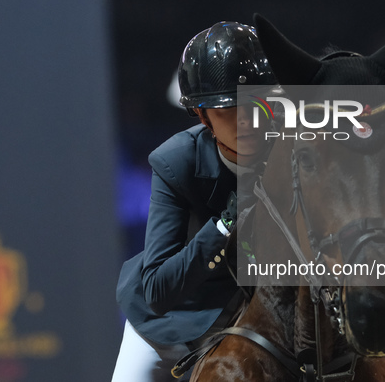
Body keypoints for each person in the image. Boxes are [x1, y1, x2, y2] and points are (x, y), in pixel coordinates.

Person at [112, 21, 278, 382]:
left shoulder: (293, 153)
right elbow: (158, 288)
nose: (248, 121)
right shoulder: (176, 162)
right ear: (203, 116)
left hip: (252, 321)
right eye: (228, 110)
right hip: (171, 323)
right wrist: (225, 224)